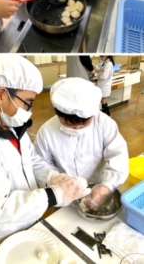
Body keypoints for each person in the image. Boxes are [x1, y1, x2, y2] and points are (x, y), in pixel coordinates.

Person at [0, 55, 89, 259]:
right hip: (0, 233)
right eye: (28, 102)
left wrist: (53, 178)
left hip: (28, 220)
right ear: (1, 95)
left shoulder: (12, 127)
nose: (29, 110)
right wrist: (53, 195)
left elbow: (32, 161)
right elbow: (0, 208)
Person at [35, 77, 128, 211]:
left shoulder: (105, 124)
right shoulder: (46, 132)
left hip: (99, 185)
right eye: (69, 124)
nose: (77, 128)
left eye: (84, 123)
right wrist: (54, 178)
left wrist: (107, 185)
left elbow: (118, 156)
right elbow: (39, 163)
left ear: (93, 113)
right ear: (58, 114)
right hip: (65, 193)